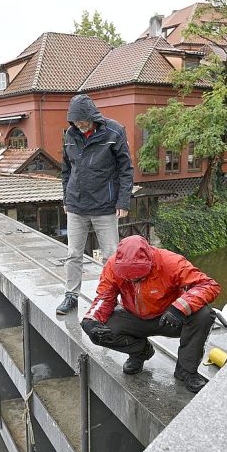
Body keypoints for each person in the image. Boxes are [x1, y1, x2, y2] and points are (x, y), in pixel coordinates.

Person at [81, 236, 220, 393]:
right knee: (101, 330)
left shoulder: (170, 261)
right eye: (129, 276)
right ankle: (140, 352)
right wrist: (90, 320)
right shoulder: (112, 266)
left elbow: (208, 285)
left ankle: (186, 370)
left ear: (150, 259)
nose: (133, 279)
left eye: (138, 276)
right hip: (133, 317)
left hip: (170, 318)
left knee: (204, 315)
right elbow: (104, 297)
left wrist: (180, 308)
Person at [56, 94, 134, 316]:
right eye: (75, 121)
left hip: (104, 206)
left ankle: (113, 298)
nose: (79, 124)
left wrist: (123, 201)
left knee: (111, 256)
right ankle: (71, 296)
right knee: (73, 254)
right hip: (76, 205)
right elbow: (66, 170)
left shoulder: (114, 131)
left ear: (92, 116)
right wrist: (66, 198)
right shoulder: (70, 134)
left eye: (82, 120)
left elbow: (126, 170)